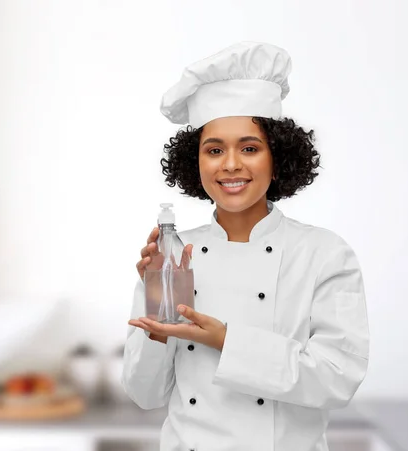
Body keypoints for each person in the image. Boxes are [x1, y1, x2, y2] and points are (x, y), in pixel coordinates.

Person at [123, 41, 369, 451]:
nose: (231, 164)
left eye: (250, 148)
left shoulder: (325, 254)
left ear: (279, 157)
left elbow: (336, 379)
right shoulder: (173, 257)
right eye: (214, 149)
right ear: (195, 161)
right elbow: (145, 396)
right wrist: (157, 317)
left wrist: (225, 340)